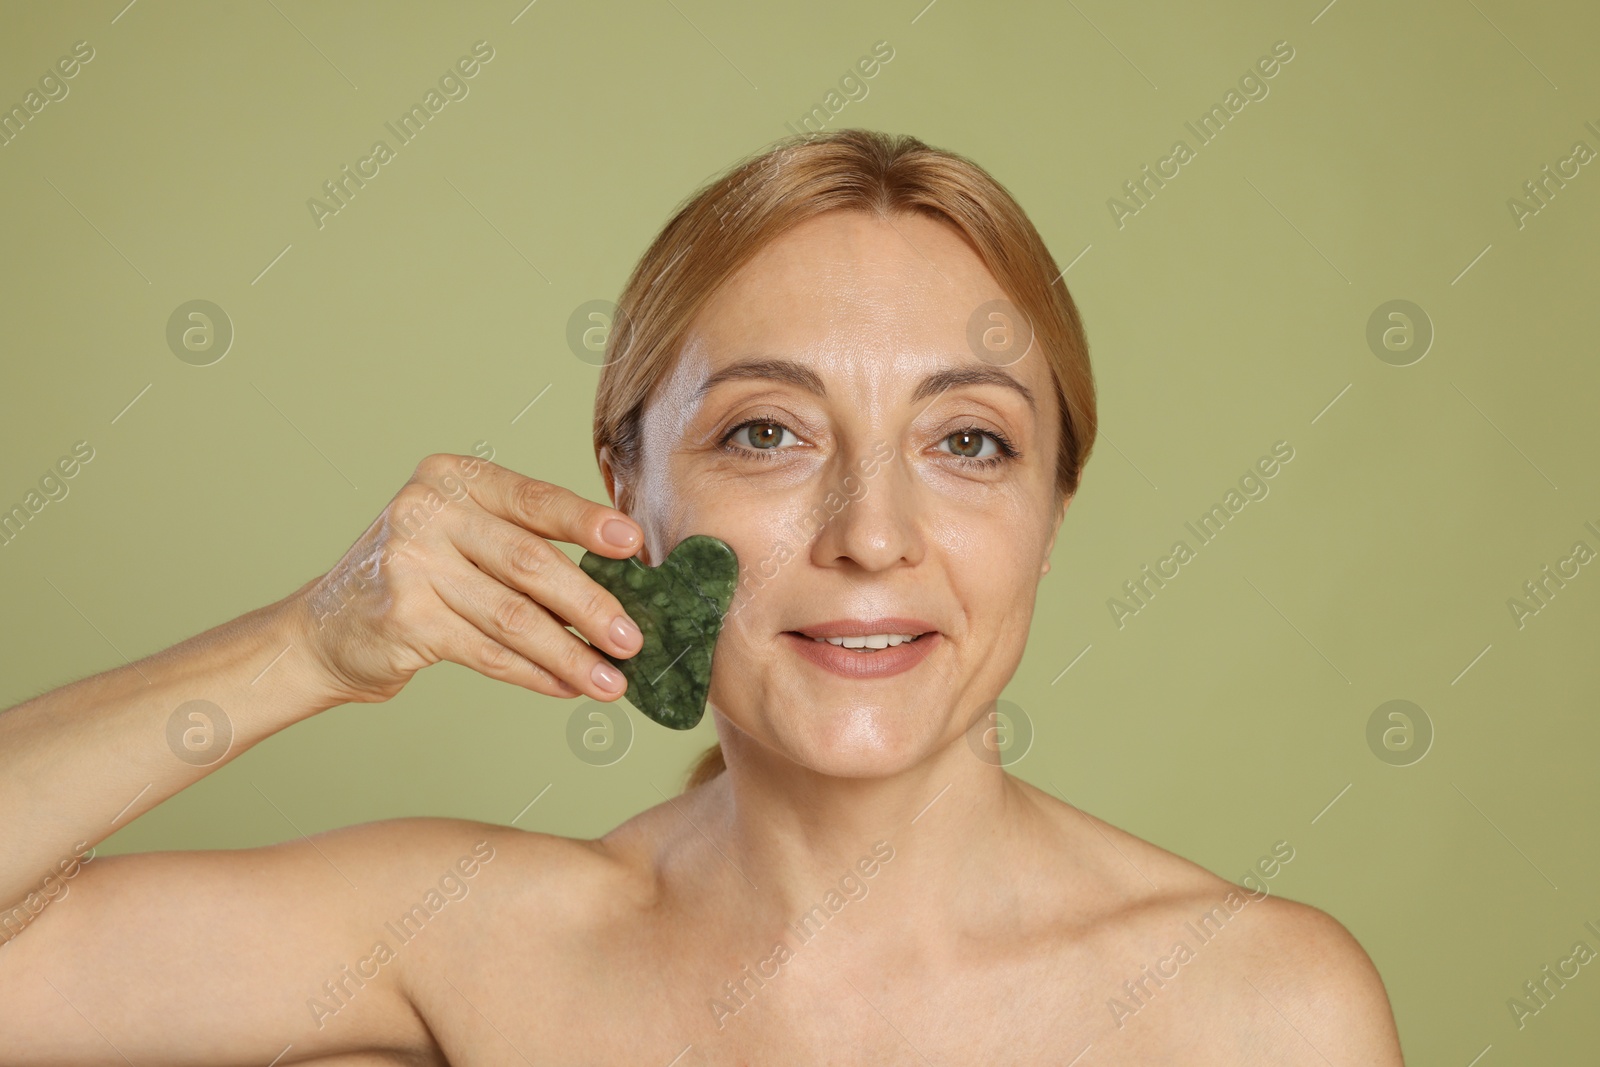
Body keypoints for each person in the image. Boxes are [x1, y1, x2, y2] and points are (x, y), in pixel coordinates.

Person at [0, 128, 1404, 1064]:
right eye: (766, 434)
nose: (872, 536)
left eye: (968, 442)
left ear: (1053, 504)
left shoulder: (1258, 1008)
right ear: (629, 484)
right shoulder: (481, 937)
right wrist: (306, 646)